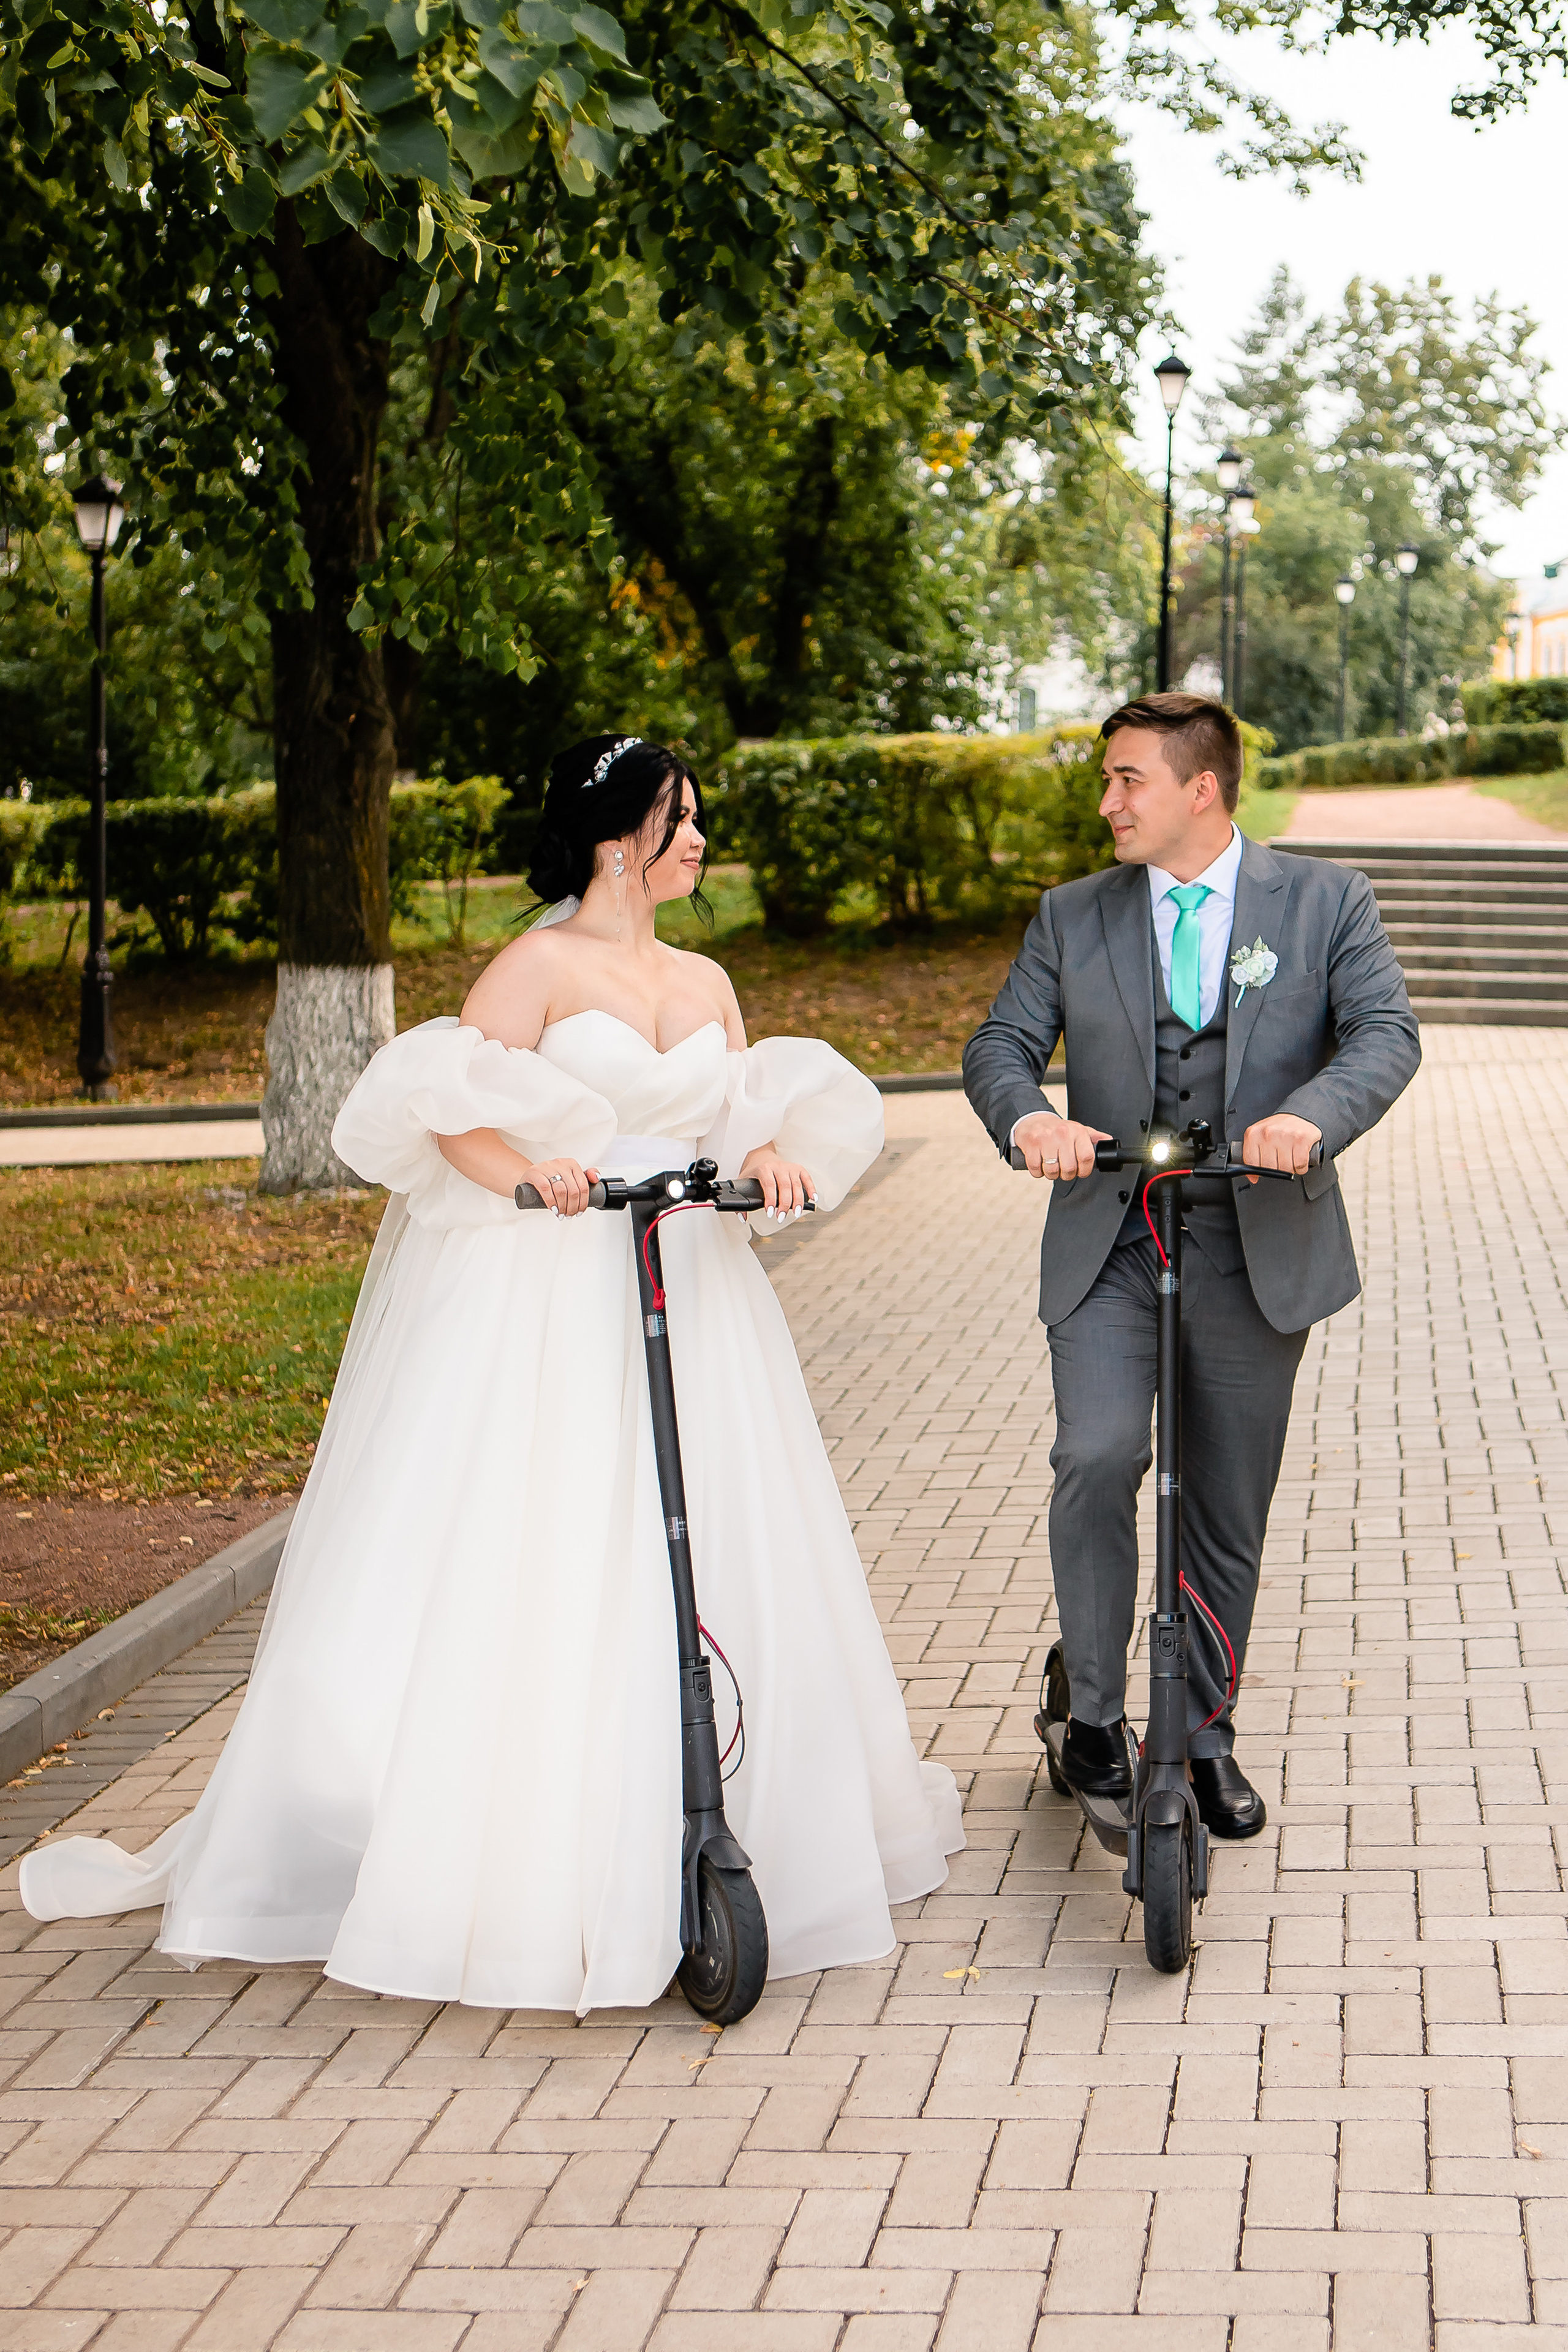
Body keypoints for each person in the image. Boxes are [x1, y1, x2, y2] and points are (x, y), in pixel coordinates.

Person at [22, 734, 962, 2011]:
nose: (698, 842)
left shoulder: (705, 975)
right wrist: (526, 1176)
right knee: (553, 1548)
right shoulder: (533, 966)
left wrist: (782, 1156)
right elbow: (441, 1106)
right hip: (552, 1285)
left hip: (687, 1284)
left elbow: (739, 1115)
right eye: (681, 821)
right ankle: (528, 1853)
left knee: (714, 1535)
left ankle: (716, 1807)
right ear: (617, 833)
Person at [963, 692, 1419, 1838]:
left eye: (1128, 780)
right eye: (1108, 781)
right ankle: (1099, 1724)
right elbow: (1002, 1046)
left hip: (1258, 1239)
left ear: (1200, 790)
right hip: (1113, 1234)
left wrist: (1312, 1116)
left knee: (1223, 1499)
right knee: (1099, 1453)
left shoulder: (1324, 901)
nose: (1107, 800)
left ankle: (1203, 1734)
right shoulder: (1072, 914)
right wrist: (1028, 1121)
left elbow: (1384, 1034)